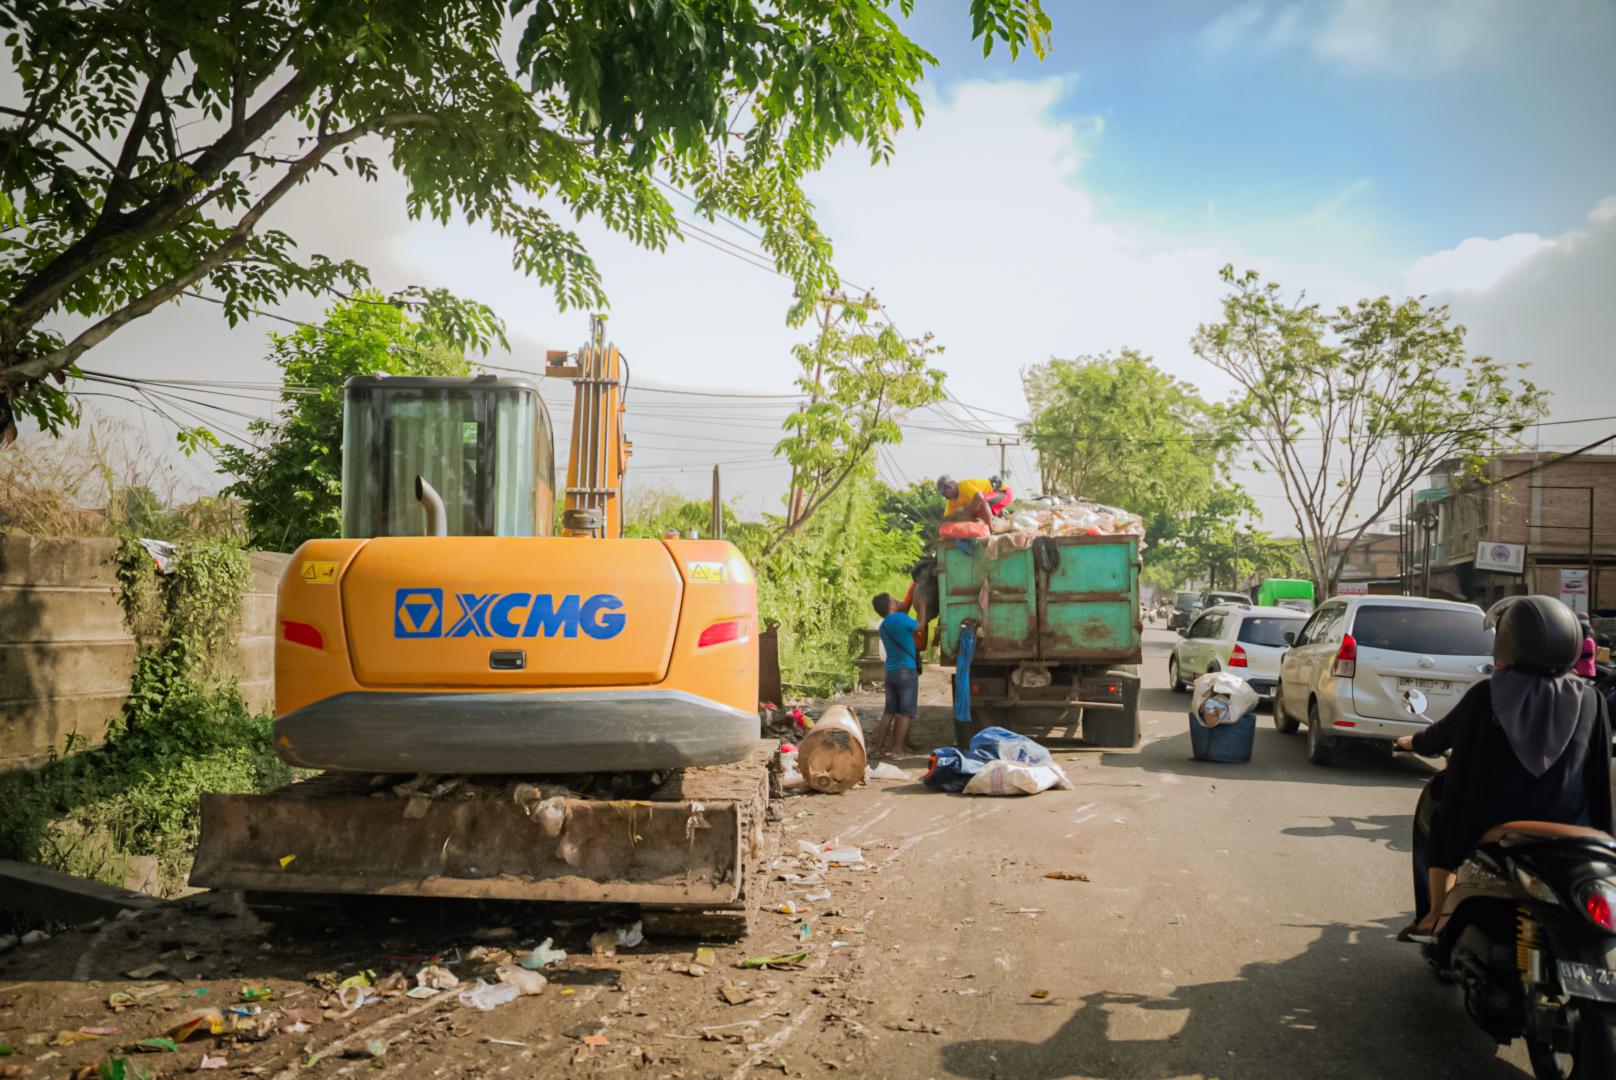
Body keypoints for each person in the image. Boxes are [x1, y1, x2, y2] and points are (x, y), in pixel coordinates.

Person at [1395, 595, 1614, 941]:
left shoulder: (1487, 695)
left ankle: (1435, 915)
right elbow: (1598, 773)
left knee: (1440, 808)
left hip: (1492, 823)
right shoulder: (1591, 700)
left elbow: (1440, 737)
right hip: (1572, 825)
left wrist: (1412, 742)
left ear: (1508, 640)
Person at [869, 592, 919, 762]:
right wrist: (924, 607)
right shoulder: (899, 618)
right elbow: (920, 626)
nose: (896, 600)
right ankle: (896, 750)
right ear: (890, 605)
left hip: (891, 673)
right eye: (892, 600)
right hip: (906, 671)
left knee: (889, 712)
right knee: (905, 712)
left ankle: (878, 750)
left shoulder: (883, 625)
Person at [1575, 614, 1598, 680]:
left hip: (1586, 671)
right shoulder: (1591, 632)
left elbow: (1589, 654)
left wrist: (1576, 656)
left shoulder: (1588, 638)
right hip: (1583, 669)